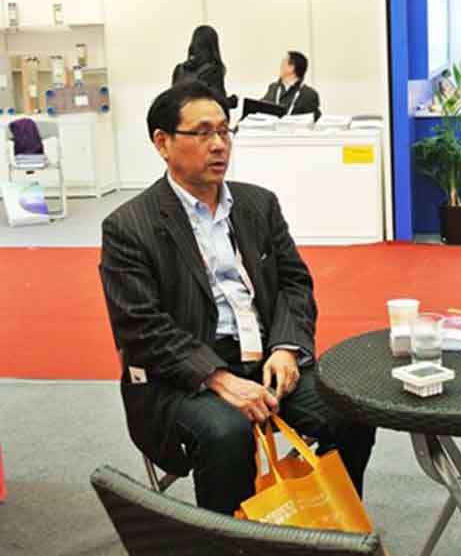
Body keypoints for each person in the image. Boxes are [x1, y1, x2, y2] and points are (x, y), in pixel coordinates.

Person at [99, 81, 374, 515]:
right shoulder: (129, 227)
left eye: (225, 131)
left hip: (266, 358)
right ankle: (231, 540)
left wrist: (286, 348)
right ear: (163, 143)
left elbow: (295, 284)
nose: (218, 145)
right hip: (183, 376)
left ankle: (333, 524)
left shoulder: (258, 205)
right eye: (202, 133)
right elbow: (140, 326)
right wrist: (216, 377)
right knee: (227, 433)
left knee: (351, 412)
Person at [172, 25, 237, 109]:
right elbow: (219, 104)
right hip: (202, 116)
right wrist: (232, 101)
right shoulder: (213, 71)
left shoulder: (179, 69)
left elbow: (173, 100)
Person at [261, 51, 322, 120]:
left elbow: (314, 120)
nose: (281, 67)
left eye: (283, 64)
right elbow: (261, 108)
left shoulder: (309, 94)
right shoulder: (273, 88)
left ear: (291, 67)